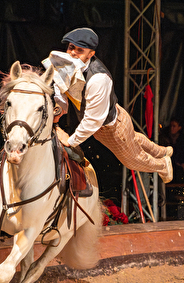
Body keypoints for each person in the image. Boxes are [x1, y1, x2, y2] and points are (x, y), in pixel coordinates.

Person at [43, 27, 173, 183]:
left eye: (79, 50)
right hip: (105, 124)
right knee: (134, 140)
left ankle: (162, 165)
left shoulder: (98, 78)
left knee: (133, 159)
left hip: (113, 129)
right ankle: (162, 151)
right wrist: (59, 110)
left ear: (91, 54)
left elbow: (93, 120)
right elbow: (62, 88)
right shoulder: (67, 64)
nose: (72, 53)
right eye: (71, 47)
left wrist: (71, 142)